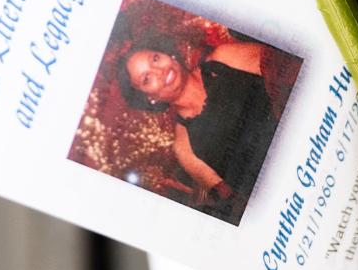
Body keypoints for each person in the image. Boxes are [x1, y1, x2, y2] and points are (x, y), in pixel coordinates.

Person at [116, 34, 297, 207]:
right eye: (147, 78)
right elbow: (239, 198)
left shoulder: (223, 57)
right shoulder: (183, 147)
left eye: (155, 58)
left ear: (168, 54)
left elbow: (293, 73)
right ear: (149, 99)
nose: (159, 71)